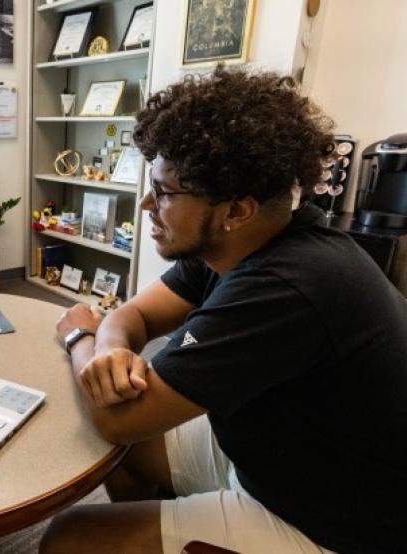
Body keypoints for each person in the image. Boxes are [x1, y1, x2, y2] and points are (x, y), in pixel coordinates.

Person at [44, 66, 407, 554]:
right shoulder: (248, 242)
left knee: (69, 538)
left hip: (332, 520)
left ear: (237, 210)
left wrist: (80, 338)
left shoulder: (284, 285)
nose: (148, 204)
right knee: (121, 454)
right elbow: (136, 317)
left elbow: (119, 419)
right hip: (280, 454)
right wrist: (109, 345)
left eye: (167, 192)